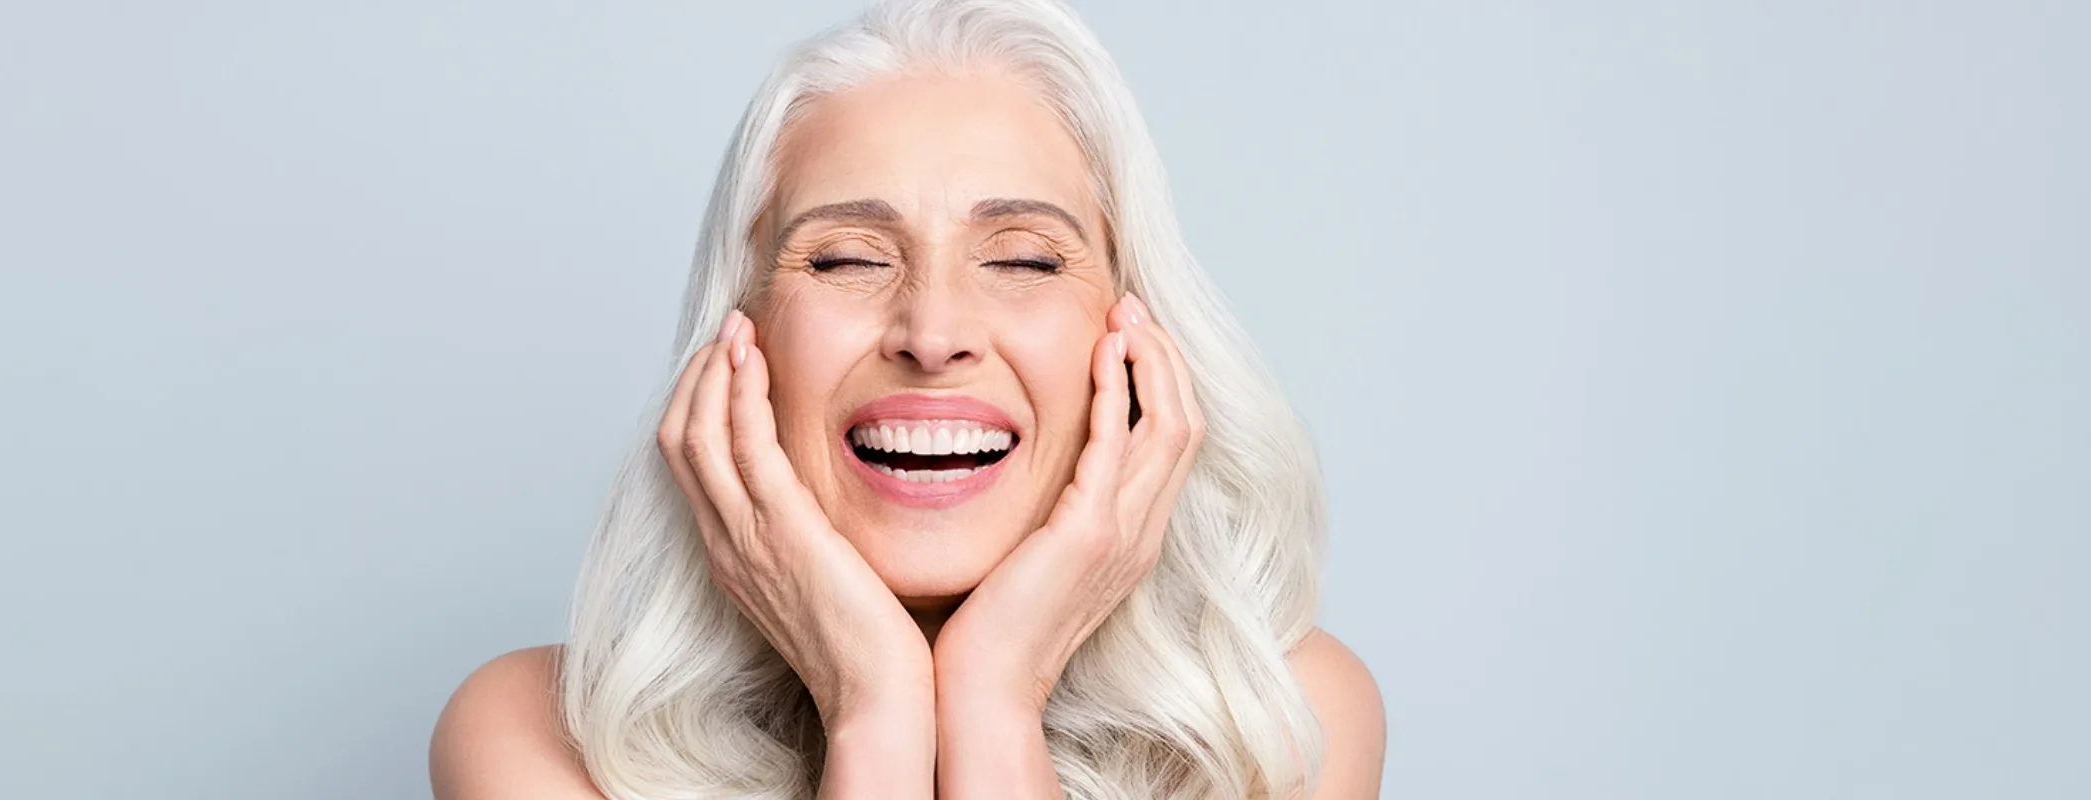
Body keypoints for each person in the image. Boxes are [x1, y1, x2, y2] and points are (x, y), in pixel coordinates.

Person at [432, 0, 1383, 796]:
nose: (931, 335)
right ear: (741, 336)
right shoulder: (538, 742)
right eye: (846, 257)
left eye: (1021, 258)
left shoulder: (1279, 725)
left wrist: (993, 695)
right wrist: (874, 708)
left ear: (1135, 337)